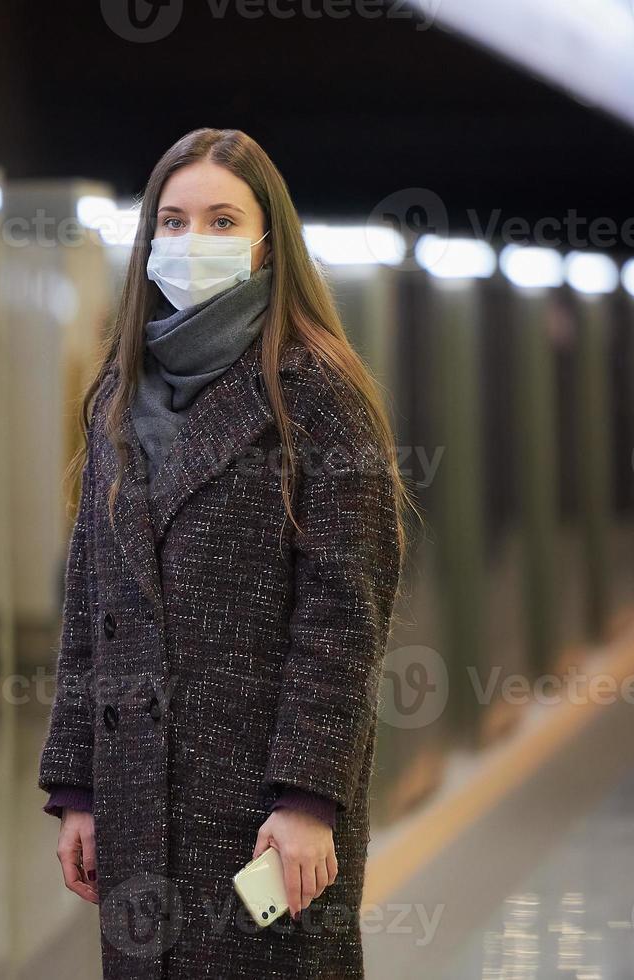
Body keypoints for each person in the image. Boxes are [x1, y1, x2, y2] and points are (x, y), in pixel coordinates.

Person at [37, 127, 407, 979]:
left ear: (267, 241)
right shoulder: (117, 398)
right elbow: (91, 600)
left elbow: (344, 619)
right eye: (171, 221)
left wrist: (308, 797)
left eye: (220, 220)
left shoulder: (318, 395)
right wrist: (79, 790)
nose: (190, 242)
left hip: (265, 809)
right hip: (137, 799)